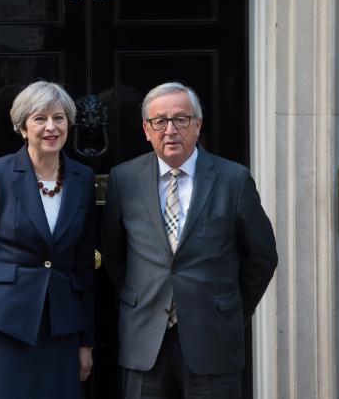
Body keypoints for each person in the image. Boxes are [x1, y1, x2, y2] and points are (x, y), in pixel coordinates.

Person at [102, 82, 278, 399]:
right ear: (146, 129)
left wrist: (230, 309)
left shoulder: (232, 179)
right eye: (160, 121)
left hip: (213, 339)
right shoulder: (123, 179)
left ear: (197, 125)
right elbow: (114, 255)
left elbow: (262, 256)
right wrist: (138, 296)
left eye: (181, 119)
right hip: (144, 340)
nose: (170, 130)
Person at [0, 81, 95, 398]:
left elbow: (83, 266)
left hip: (63, 326)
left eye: (58, 118)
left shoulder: (82, 178)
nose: (51, 127)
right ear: (22, 127)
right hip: (4, 326)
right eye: (39, 118)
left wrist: (86, 341)